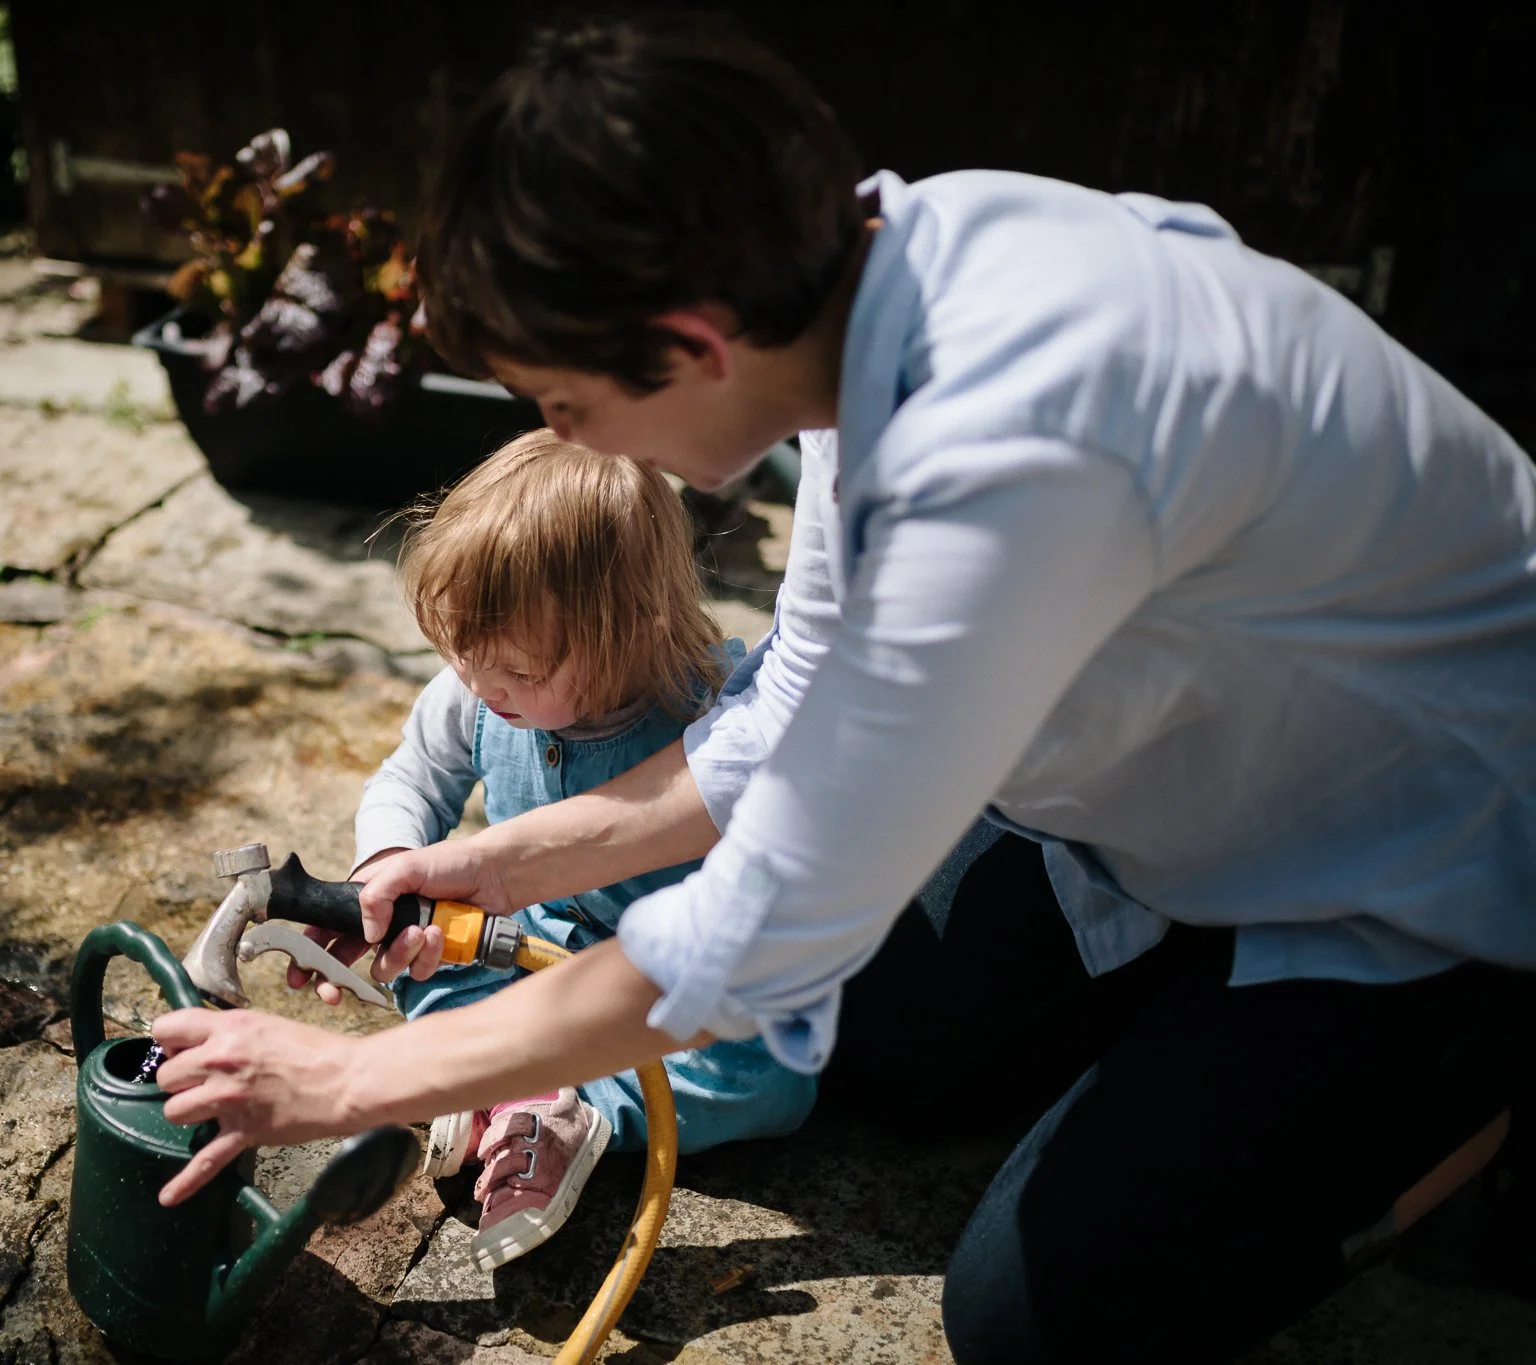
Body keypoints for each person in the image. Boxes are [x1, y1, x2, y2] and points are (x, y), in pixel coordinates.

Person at [148, 16, 1536, 1363]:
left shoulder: (1008, 449)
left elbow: (757, 932)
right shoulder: (877, 285)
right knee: (905, 1048)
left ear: (693, 344)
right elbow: (785, 716)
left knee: (1040, 1319)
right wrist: (472, 864)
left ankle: (1468, 1096)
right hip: (1198, 781)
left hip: (1439, 865)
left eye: (564, 404)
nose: (561, 440)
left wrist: (343, 1081)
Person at [329, 431, 814, 1271]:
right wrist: (387, 860)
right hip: (524, 946)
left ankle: (566, 1107)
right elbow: (409, 776)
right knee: (425, 958)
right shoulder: (476, 690)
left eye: (516, 668)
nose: (483, 686)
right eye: (461, 655)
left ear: (633, 626)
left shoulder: (709, 710)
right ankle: (496, 1080)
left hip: (658, 982)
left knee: (772, 1075)